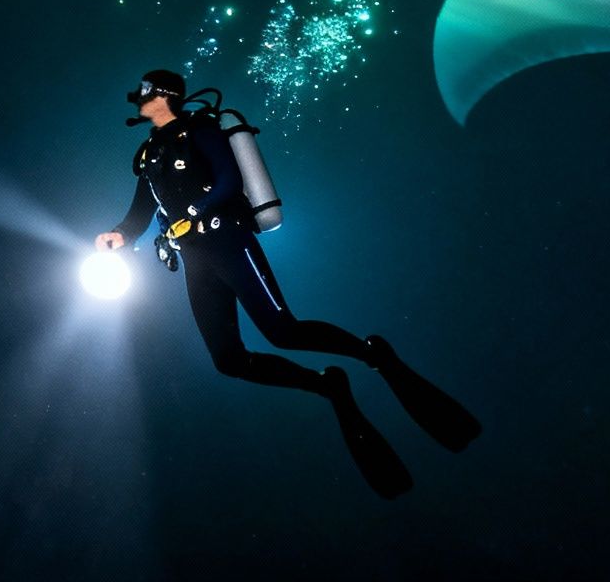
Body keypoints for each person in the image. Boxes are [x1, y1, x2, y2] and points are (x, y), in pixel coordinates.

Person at [95, 69, 480, 498]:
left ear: (165, 95)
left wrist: (194, 213)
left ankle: (373, 354)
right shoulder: (149, 155)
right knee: (228, 360)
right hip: (196, 260)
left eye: (145, 91)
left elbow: (229, 181)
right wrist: (119, 235)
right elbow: (139, 214)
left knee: (283, 332)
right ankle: (327, 385)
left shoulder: (200, 131)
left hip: (230, 243)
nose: (138, 98)